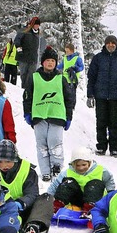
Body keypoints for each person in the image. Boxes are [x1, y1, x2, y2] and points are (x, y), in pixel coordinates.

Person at [23, 46, 75, 182]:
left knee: (55, 142)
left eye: (53, 60)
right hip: (39, 116)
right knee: (41, 144)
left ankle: (56, 167)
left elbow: (68, 98)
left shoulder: (61, 79)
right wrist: (27, 113)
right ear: (42, 62)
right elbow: (27, 96)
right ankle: (45, 171)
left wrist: (69, 116)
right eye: (47, 60)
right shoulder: (34, 78)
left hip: (57, 116)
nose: (50, 63)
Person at [0, 139, 54, 233]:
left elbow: (32, 193)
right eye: (0, 162)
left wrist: (20, 203)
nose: (4, 165)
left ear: (15, 159)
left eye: (8, 161)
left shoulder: (27, 170)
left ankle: (33, 226)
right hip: (3, 209)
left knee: (46, 198)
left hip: (24, 209)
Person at [86, 34, 117, 157]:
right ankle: (101, 147)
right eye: (108, 43)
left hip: (116, 96)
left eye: (113, 43)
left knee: (114, 123)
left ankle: (114, 148)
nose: (111, 45)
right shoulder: (98, 58)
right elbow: (91, 77)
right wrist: (90, 95)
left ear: (116, 44)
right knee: (101, 122)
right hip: (100, 96)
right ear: (105, 44)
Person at [48, 146, 116, 212]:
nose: (81, 168)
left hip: (95, 200)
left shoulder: (101, 170)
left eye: (84, 165)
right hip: (76, 200)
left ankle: (89, 210)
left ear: (89, 163)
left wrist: (111, 196)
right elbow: (55, 184)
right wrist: (47, 198)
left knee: (95, 183)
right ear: (73, 164)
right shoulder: (68, 172)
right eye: (77, 165)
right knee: (68, 182)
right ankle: (57, 207)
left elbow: (109, 181)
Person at [14, 16, 45, 87]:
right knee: (24, 74)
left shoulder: (38, 34)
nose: (37, 26)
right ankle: (24, 88)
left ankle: (28, 88)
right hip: (23, 56)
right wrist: (19, 49)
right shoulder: (24, 31)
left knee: (31, 75)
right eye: (35, 24)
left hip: (33, 58)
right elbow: (17, 40)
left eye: (38, 24)